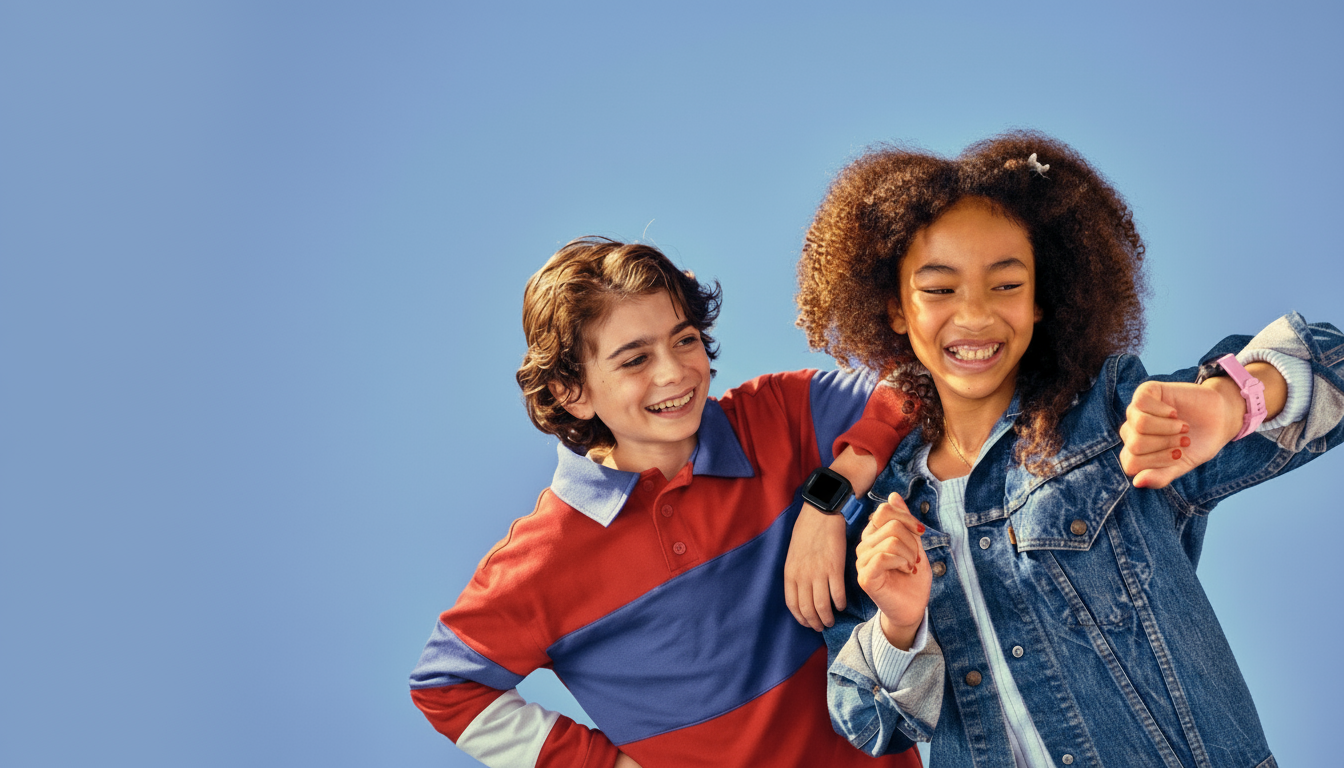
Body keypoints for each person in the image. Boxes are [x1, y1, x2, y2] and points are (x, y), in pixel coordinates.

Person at [794, 132, 1342, 767]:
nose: (974, 316)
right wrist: (898, 626)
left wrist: (1233, 402)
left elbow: (1333, 362)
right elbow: (869, 725)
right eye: (939, 289)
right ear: (895, 309)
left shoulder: (1114, 421)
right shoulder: (878, 518)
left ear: (1040, 302)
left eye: (1005, 285)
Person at [409, 237, 927, 767]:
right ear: (571, 391)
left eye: (684, 340)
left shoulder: (780, 414)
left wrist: (827, 498)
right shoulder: (545, 558)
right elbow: (444, 685)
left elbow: (919, 373)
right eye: (636, 359)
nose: (674, 372)